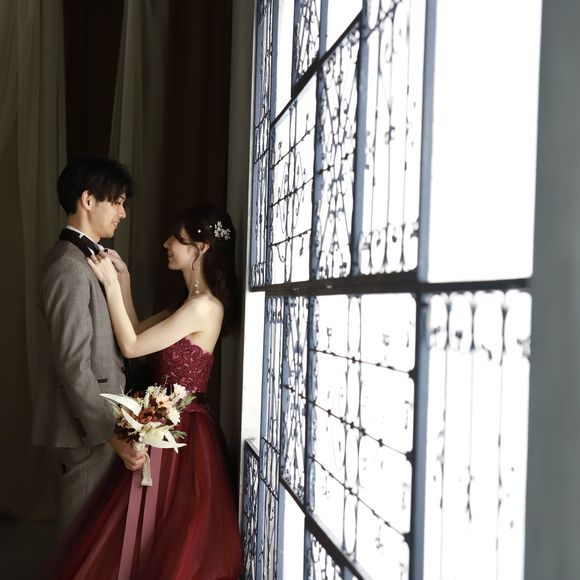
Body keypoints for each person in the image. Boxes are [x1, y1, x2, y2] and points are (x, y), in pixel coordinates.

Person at [46, 205, 243, 579]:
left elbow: (132, 345)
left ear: (201, 248)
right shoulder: (187, 304)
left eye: (177, 239)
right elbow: (137, 330)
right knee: (139, 529)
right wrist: (123, 282)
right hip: (162, 421)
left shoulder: (205, 307)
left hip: (184, 433)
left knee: (168, 535)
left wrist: (108, 286)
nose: (166, 244)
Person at [33, 157, 147, 536]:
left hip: (100, 424)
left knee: (96, 543)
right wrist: (111, 434)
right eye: (117, 202)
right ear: (87, 200)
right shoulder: (67, 265)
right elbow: (73, 364)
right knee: (80, 542)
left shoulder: (89, 258)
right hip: (86, 429)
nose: (123, 213)